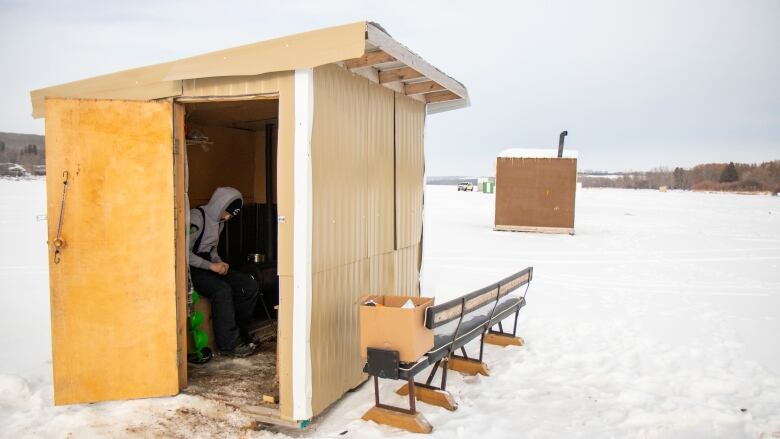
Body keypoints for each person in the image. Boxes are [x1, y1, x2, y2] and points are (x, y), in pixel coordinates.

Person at [189, 187, 260, 357]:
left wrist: (218, 262)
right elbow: (184, 254)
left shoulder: (220, 222)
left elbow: (212, 249)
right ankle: (229, 344)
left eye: (231, 215)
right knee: (222, 291)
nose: (228, 218)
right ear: (219, 205)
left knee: (248, 285)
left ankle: (241, 335)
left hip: (208, 264)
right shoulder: (196, 218)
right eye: (227, 213)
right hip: (193, 268)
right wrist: (210, 266)